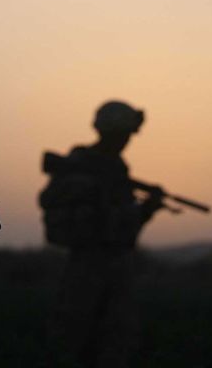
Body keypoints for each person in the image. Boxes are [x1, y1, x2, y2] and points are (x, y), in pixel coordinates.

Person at [39, 101, 163, 368]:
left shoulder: (115, 168)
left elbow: (122, 230)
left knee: (115, 342)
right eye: (125, 133)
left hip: (113, 265)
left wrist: (145, 211)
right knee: (74, 342)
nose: (127, 140)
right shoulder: (81, 165)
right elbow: (109, 224)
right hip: (87, 266)